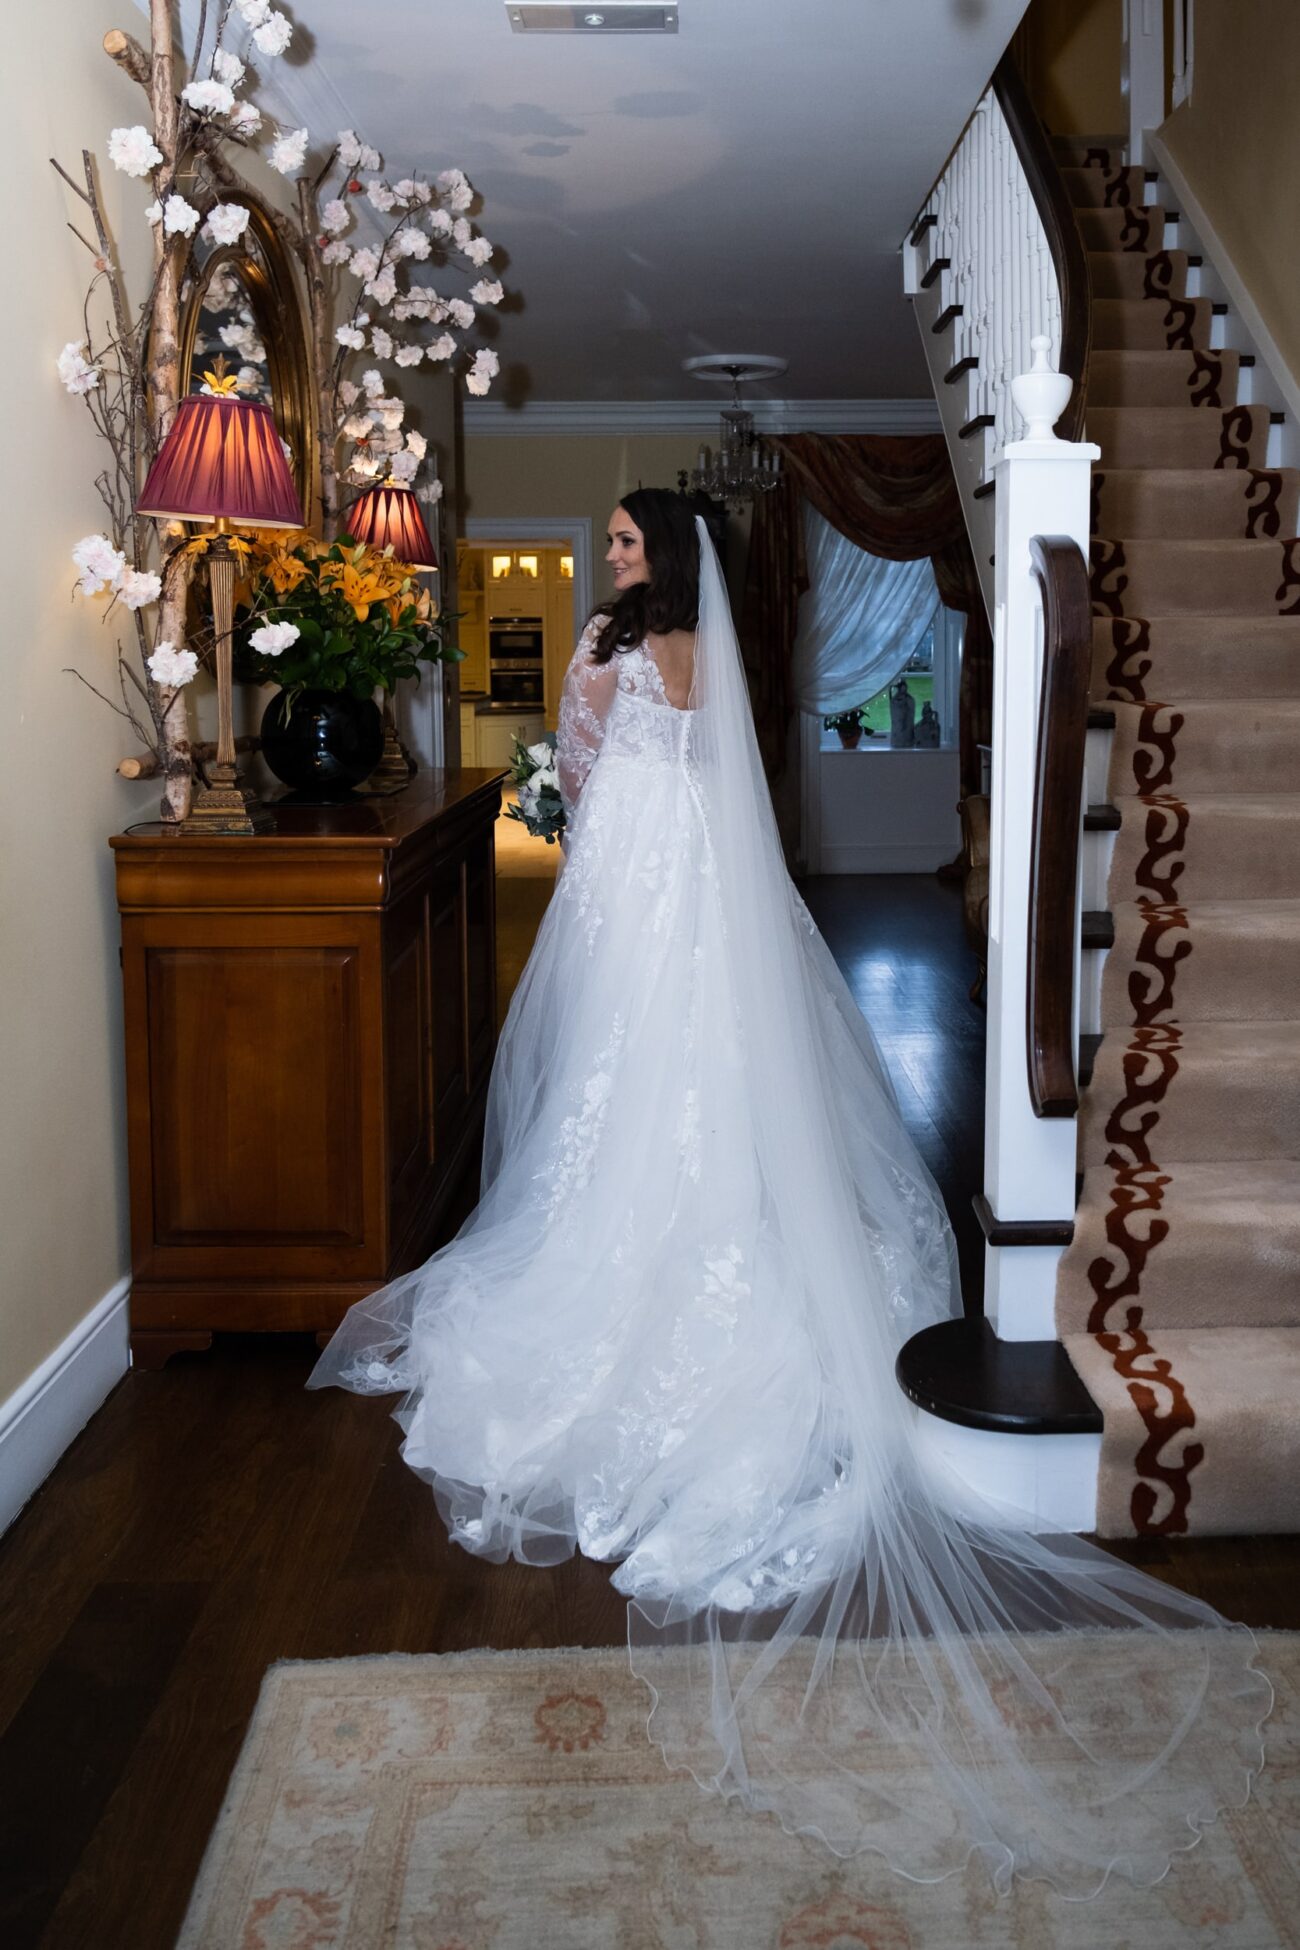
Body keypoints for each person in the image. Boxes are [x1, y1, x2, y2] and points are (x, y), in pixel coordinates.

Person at [309, 489, 1270, 1894]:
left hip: (632, 892)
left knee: (627, 1083)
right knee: (698, 1086)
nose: (619, 557)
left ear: (668, 557)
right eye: (618, 546)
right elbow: (710, 779)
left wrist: (590, 729)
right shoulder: (711, 648)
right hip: (695, 888)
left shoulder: (608, 648)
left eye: (633, 543)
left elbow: (575, 771)